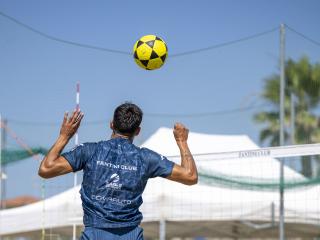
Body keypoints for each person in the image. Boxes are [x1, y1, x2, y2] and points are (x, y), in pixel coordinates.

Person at [38, 102, 198, 240]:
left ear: (111, 124)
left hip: (95, 233)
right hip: (130, 234)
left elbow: (46, 169)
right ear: (138, 131)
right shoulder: (146, 158)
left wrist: (65, 135)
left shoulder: (90, 151)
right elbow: (190, 176)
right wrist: (181, 141)